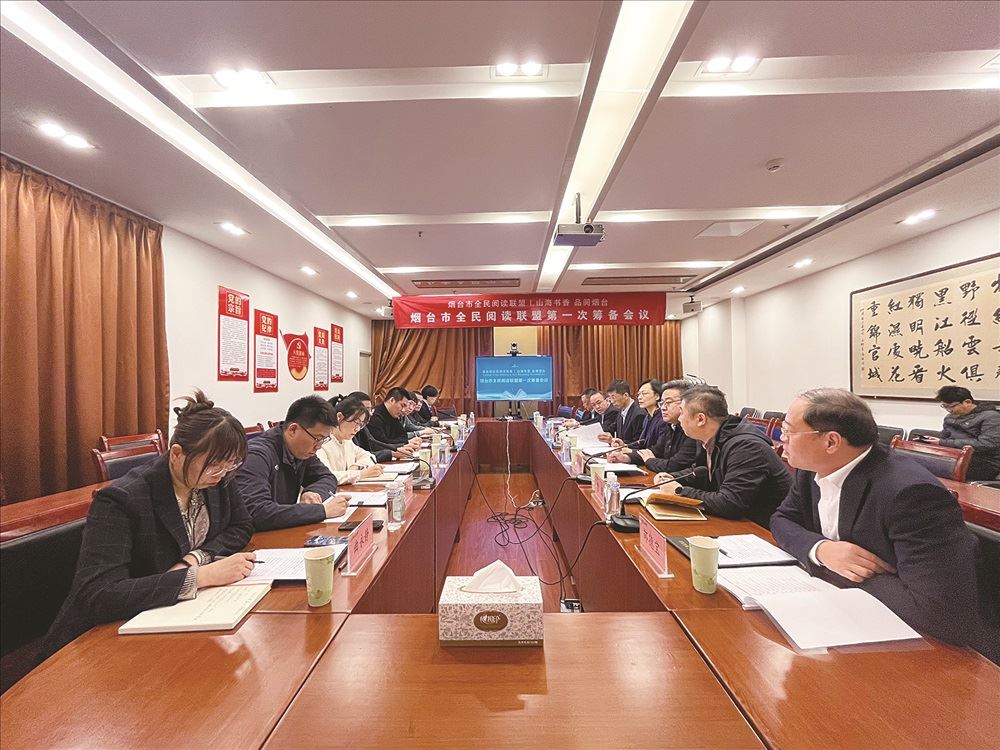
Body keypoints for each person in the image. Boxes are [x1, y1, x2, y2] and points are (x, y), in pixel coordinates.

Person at [39, 391, 256, 661]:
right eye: (214, 465)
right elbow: (98, 594)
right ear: (176, 454)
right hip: (99, 645)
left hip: (170, 621)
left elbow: (241, 525)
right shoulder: (122, 499)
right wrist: (201, 577)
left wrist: (196, 558)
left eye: (230, 464)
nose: (222, 474)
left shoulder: (214, 478)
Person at [770, 388, 989, 649]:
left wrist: (837, 569)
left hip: (916, 646)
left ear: (831, 442)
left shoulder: (911, 494)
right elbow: (782, 519)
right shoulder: (813, 469)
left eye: (788, 431)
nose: (781, 439)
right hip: (844, 614)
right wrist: (821, 550)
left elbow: (941, 613)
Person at [653, 385, 791, 528]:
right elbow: (701, 472)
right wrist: (671, 478)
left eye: (682, 412)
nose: (679, 418)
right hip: (738, 523)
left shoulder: (746, 447)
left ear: (700, 419)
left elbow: (730, 503)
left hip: (763, 529)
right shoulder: (709, 438)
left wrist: (679, 491)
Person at [234, 396, 349, 531]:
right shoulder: (256, 456)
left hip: (283, 530)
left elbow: (327, 477)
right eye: (318, 439)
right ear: (293, 430)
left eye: (324, 440)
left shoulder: (301, 451)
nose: (319, 446)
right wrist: (321, 511)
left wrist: (313, 492)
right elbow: (258, 512)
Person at [625, 379, 699, 473]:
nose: (663, 408)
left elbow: (674, 465)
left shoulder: (693, 431)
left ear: (686, 403)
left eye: (668, 402)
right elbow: (656, 451)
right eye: (662, 403)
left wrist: (650, 461)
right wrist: (627, 458)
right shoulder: (671, 425)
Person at [930, 386, 1000, 480]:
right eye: (945, 406)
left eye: (952, 406)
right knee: (922, 462)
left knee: (932, 468)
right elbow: (944, 437)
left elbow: (987, 444)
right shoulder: (950, 417)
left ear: (967, 402)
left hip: (984, 462)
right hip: (955, 457)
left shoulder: (991, 417)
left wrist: (943, 442)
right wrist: (932, 441)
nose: (949, 410)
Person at [316, 395, 385, 484]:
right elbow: (328, 477)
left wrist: (356, 467)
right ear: (339, 417)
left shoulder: (347, 441)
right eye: (356, 422)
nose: (357, 429)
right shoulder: (322, 443)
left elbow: (369, 456)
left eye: (361, 425)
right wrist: (361, 474)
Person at [348, 391, 420, 462]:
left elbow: (375, 444)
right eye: (366, 409)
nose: (370, 413)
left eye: (370, 409)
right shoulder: (375, 417)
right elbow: (359, 457)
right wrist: (392, 453)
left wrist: (400, 447)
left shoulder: (363, 427)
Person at [609, 379, 666, 460]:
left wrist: (631, 451)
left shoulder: (663, 419)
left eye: (644, 394)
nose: (640, 397)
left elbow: (658, 450)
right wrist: (625, 445)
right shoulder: (647, 418)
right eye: (638, 394)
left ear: (657, 396)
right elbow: (642, 442)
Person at [598, 379, 644, 445]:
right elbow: (611, 428)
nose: (612, 401)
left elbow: (638, 443)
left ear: (625, 395)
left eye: (613, 397)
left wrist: (617, 442)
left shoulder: (639, 414)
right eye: (610, 398)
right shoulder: (621, 410)